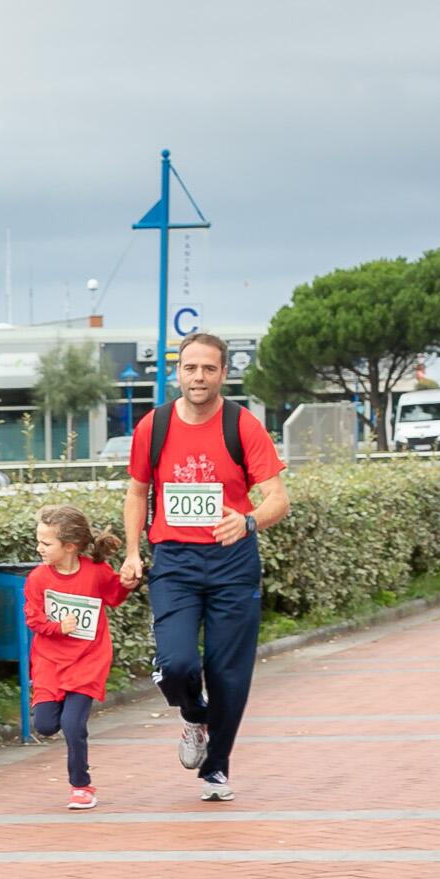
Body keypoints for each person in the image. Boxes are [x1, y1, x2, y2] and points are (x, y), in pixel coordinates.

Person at [120, 333, 290, 802]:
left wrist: (249, 519)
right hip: (174, 561)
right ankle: (194, 715)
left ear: (222, 374)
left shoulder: (243, 425)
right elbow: (136, 492)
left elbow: (279, 498)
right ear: (178, 372)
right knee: (176, 664)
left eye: (208, 369)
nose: (199, 377)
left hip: (232, 561)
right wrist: (133, 552)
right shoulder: (153, 427)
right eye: (191, 368)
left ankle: (216, 768)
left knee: (228, 673)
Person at [24, 504, 130, 810]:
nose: (39, 548)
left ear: (69, 546)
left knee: (72, 724)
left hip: (88, 660)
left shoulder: (95, 572)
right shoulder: (38, 579)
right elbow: (32, 618)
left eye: (46, 543)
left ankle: (81, 786)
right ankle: (78, 778)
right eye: (39, 541)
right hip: (49, 662)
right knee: (45, 725)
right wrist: (58, 627)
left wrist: (128, 583)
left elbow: (114, 596)